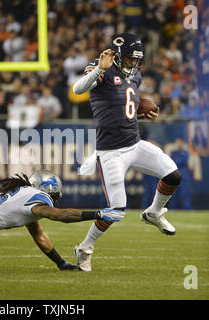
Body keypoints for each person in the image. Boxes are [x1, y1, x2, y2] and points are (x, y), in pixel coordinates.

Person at [73, 33, 182, 272]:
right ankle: (85, 248)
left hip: (134, 144)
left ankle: (153, 212)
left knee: (173, 175)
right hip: (111, 152)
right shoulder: (100, 68)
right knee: (115, 210)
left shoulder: (135, 74)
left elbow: (124, 103)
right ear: (118, 55)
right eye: (130, 58)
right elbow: (77, 89)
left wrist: (143, 111)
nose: (134, 63)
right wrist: (99, 70)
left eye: (137, 59)